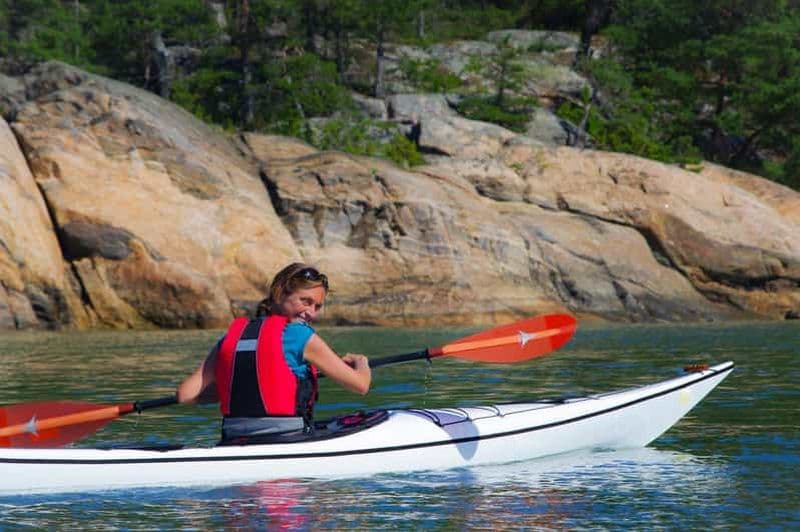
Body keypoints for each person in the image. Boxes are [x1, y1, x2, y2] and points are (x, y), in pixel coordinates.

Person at [177, 262, 371, 442]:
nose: (311, 312)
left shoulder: (231, 338)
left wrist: (239, 391)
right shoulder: (300, 335)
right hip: (289, 438)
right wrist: (361, 362)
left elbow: (185, 394)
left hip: (233, 439)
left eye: (317, 306)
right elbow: (361, 385)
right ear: (279, 294)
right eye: (305, 301)